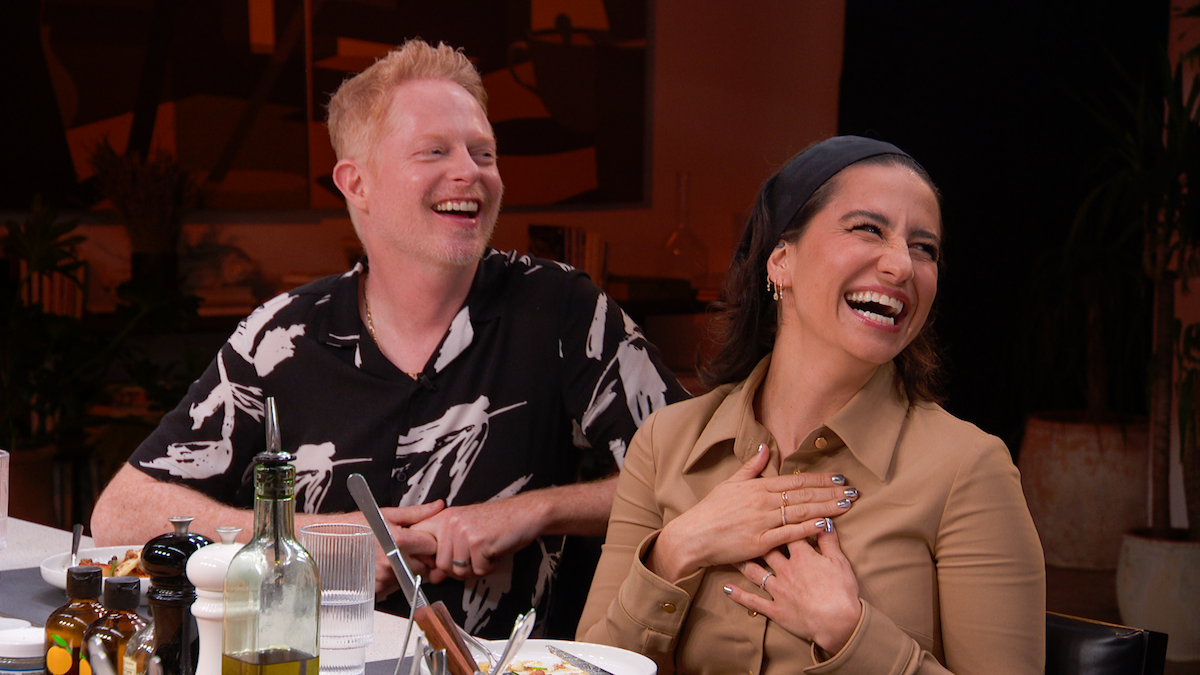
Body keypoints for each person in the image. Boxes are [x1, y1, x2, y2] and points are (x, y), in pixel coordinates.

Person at [91, 39, 689, 638]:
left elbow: (700, 477)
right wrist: (305, 537)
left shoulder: (563, 311)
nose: (470, 172)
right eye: (434, 151)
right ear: (357, 184)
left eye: (484, 153)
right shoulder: (280, 336)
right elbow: (117, 515)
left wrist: (535, 511)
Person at [576, 136, 1045, 674]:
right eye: (869, 229)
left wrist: (850, 634)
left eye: (925, 248)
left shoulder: (970, 468)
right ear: (781, 259)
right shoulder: (664, 443)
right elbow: (587, 667)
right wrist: (676, 550)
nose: (901, 266)